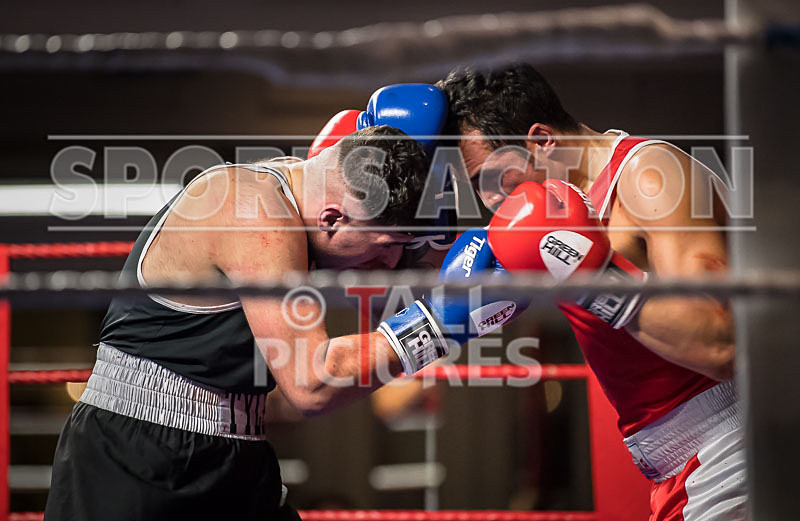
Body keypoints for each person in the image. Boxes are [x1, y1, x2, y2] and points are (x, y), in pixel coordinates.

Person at [43, 126, 466, 521]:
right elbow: (312, 383)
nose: (390, 262)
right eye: (387, 247)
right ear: (333, 219)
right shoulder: (252, 209)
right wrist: (443, 324)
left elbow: (291, 383)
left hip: (231, 453)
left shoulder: (309, 204)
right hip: (137, 457)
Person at [433, 64, 744, 521]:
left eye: (490, 179)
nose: (490, 204)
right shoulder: (562, 211)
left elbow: (723, 343)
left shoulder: (649, 176)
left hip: (732, 442)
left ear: (540, 141)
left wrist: (593, 277)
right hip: (678, 465)